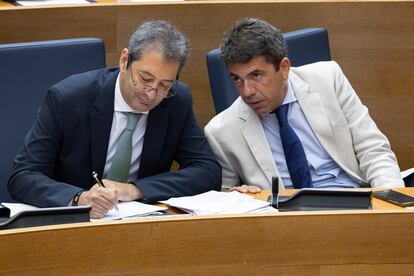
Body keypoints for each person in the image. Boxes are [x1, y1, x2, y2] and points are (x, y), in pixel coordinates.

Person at [8, 20, 221, 218]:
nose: (151, 94)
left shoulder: (176, 101)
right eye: (145, 79)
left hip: (139, 221)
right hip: (74, 222)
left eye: (164, 85)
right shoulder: (68, 98)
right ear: (124, 60)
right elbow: (23, 176)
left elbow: (207, 171)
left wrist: (134, 190)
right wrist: (78, 198)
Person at [205, 18, 404, 193]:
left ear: (284, 68)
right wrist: (239, 197)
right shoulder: (221, 131)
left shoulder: (328, 78)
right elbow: (225, 201)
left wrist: (391, 206)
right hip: (286, 222)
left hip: (354, 200)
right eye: (237, 79)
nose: (247, 91)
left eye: (256, 75)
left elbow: (373, 149)